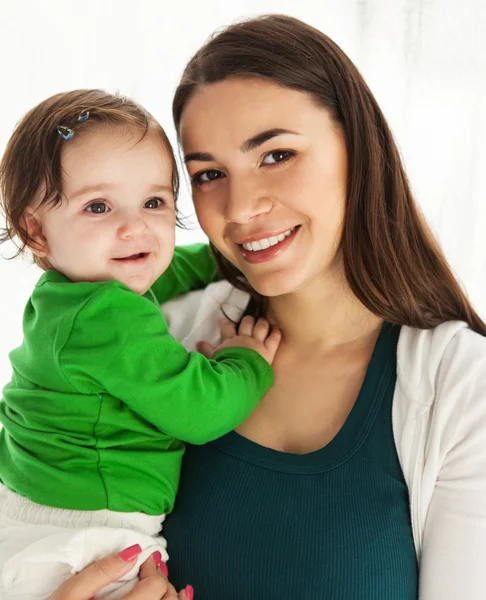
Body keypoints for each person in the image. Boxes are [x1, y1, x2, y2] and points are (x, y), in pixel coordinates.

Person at [50, 13, 486, 600]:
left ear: (358, 149)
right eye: (208, 174)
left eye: (277, 155)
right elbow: (30, 513)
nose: (241, 206)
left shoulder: (463, 389)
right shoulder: (158, 334)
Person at [0, 89, 282, 599]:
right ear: (35, 231)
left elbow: (160, 273)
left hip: (36, 509)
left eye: (154, 202)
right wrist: (246, 362)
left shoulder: (70, 295)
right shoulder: (106, 320)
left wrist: (221, 258)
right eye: (98, 206)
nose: (135, 227)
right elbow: (199, 410)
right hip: (88, 537)